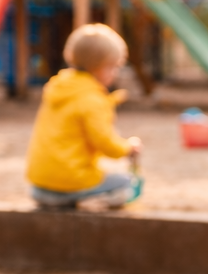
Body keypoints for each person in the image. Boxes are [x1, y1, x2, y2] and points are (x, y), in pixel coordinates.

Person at [26, 23, 142, 210]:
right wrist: (128, 148)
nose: (115, 73)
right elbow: (105, 143)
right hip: (72, 182)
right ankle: (82, 201)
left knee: (96, 175)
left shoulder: (58, 87)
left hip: (39, 185)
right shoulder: (92, 99)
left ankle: (64, 198)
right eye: (113, 67)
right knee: (124, 181)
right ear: (98, 68)